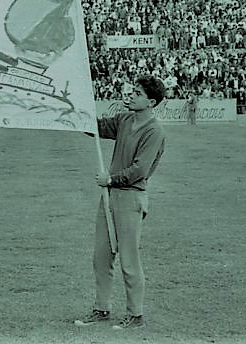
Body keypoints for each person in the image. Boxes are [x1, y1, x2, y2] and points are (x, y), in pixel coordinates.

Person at [75, 75, 166, 331]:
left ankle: (135, 314)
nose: (130, 95)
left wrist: (110, 179)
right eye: (132, 91)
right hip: (111, 196)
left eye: (137, 93)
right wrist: (78, 112)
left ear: (150, 102)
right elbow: (99, 128)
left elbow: (140, 170)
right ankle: (101, 308)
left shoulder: (154, 131)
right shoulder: (125, 119)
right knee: (101, 256)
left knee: (129, 259)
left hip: (130, 196)